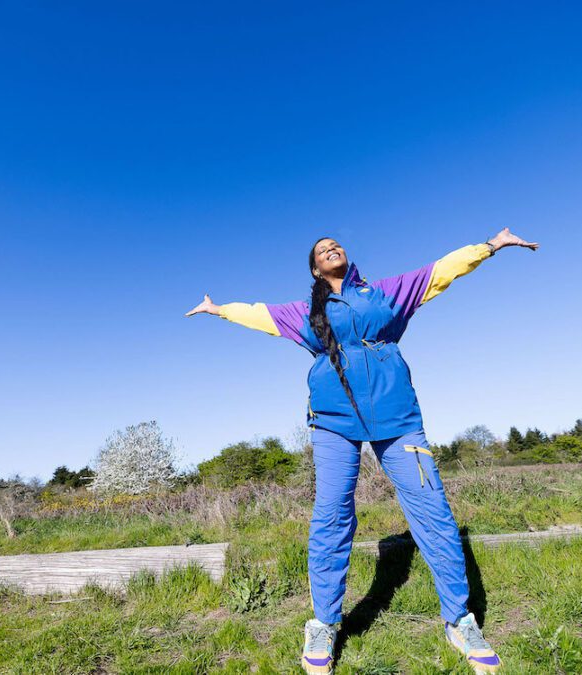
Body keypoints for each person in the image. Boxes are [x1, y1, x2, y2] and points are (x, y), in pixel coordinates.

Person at [186, 228, 538, 674]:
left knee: (433, 510)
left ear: (345, 257)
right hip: (334, 419)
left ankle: (459, 619)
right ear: (315, 269)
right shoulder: (306, 311)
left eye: (335, 245)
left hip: (398, 416)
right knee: (332, 512)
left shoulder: (385, 293)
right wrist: (218, 310)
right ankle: (325, 623)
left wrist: (490, 246)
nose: (330, 248)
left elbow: (440, 271)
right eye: (320, 251)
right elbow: (260, 314)